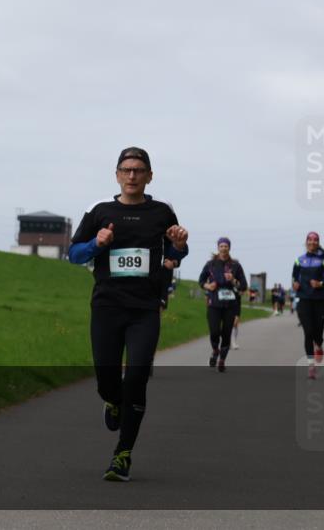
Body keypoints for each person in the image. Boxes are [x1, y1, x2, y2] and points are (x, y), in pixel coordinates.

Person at [69, 147, 189, 482]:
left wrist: (179, 242)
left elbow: (176, 252)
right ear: (117, 174)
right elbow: (74, 255)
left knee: (136, 377)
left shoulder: (163, 211)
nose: (132, 175)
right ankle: (112, 401)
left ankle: (123, 454)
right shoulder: (99, 210)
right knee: (108, 380)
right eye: (126, 169)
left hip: (144, 310)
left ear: (150, 175)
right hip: (107, 307)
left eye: (139, 170)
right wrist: (97, 243)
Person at [198, 238, 248, 372]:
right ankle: (215, 350)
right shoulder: (211, 264)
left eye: (226, 246)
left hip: (230, 305)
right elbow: (201, 280)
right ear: (218, 248)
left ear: (229, 248)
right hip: (214, 303)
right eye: (221, 246)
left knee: (226, 334)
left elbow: (243, 286)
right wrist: (208, 285)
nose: (224, 248)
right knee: (214, 332)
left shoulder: (236, 265)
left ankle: (222, 360)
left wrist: (234, 280)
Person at [292, 232, 324, 380]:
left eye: (315, 240)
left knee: (318, 332)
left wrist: (320, 284)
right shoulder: (299, 260)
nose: (312, 242)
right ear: (306, 242)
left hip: (319, 300)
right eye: (309, 240)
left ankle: (319, 345)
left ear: (318, 243)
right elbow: (294, 276)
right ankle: (311, 365)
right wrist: (295, 284)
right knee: (308, 332)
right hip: (304, 300)